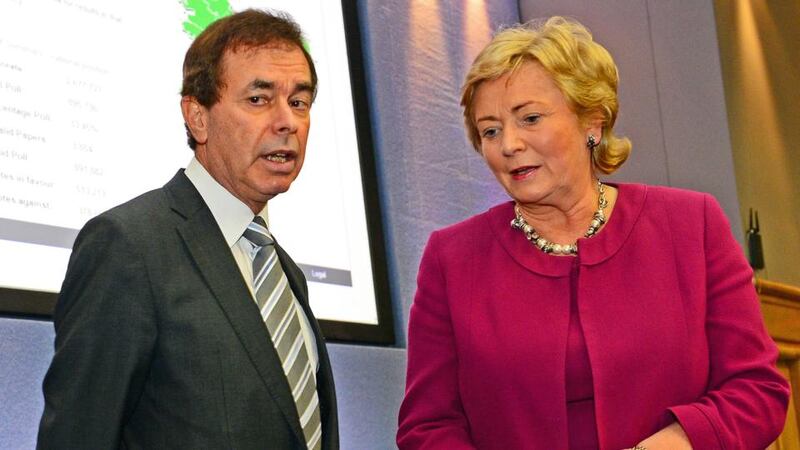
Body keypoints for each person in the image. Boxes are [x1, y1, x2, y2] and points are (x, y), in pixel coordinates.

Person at [397, 16, 789, 450]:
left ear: (592, 123)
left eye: (529, 118)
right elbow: (427, 428)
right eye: (490, 130)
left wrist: (674, 444)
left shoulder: (692, 226)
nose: (508, 144)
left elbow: (757, 391)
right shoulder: (451, 260)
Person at [37, 9, 337, 449]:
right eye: (258, 99)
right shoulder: (129, 246)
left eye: (299, 102)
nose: (287, 122)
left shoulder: (283, 272)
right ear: (198, 117)